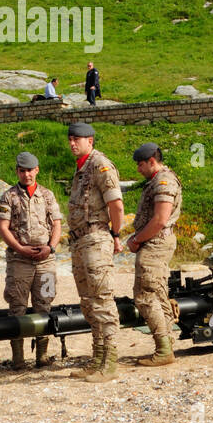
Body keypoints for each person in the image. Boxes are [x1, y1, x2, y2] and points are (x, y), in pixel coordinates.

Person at [66, 122, 124, 383]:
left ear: (90, 140)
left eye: (77, 139)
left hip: (96, 237)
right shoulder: (80, 169)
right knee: (88, 302)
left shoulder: (100, 165)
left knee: (102, 300)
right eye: (70, 139)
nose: (72, 143)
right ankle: (97, 358)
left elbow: (116, 204)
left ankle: (109, 363)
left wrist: (115, 234)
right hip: (80, 242)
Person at [0, 151, 62, 369]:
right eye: (22, 171)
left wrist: (51, 247)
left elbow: (57, 224)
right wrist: (20, 248)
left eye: (30, 170)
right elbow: (3, 228)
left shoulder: (47, 195)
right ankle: (18, 359)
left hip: (45, 262)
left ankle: (42, 356)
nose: (26, 175)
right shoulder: (9, 197)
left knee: (44, 304)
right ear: (17, 171)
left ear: (37, 170)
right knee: (17, 307)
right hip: (19, 262)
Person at [127, 143, 182, 366]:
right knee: (158, 294)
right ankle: (166, 346)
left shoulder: (163, 181)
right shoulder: (159, 180)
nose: (138, 169)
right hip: (155, 243)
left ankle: (163, 350)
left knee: (145, 295)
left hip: (155, 244)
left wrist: (137, 239)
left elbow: (160, 219)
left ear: (151, 161)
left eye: (141, 165)